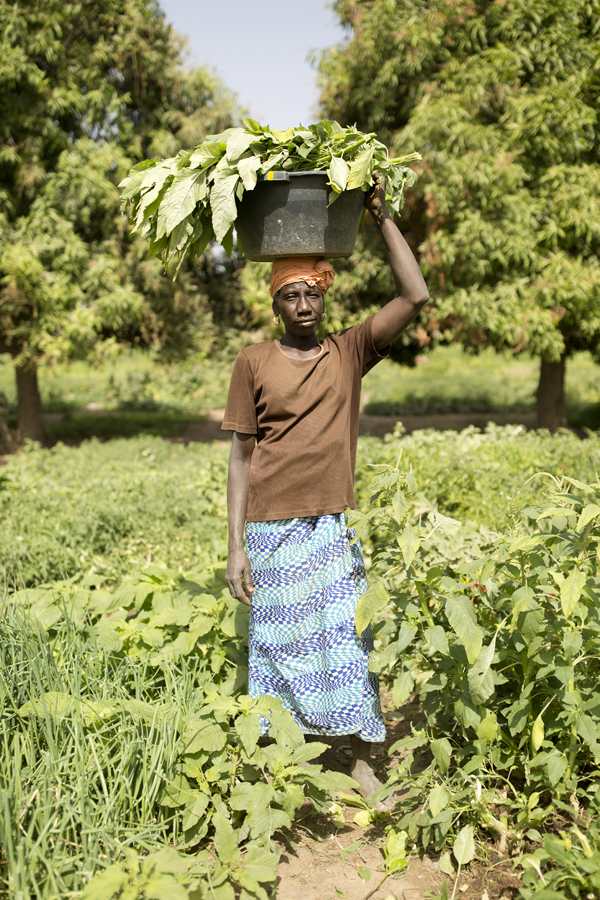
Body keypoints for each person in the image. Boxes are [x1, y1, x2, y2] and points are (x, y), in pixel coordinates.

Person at [222, 176, 429, 806]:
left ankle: (362, 760)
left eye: (313, 291)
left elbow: (415, 295)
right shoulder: (253, 361)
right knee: (280, 647)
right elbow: (238, 457)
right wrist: (235, 547)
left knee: (342, 639)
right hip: (270, 525)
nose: (304, 303)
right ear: (275, 304)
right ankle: (282, 769)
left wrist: (382, 218)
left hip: (330, 525)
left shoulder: (351, 351)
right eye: (290, 294)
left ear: (326, 296)